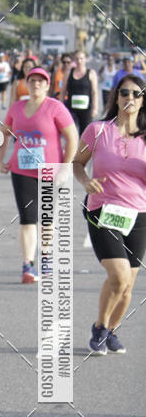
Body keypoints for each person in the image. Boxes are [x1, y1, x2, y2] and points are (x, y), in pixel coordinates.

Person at [72, 74, 146, 355]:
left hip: (139, 214)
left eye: (136, 94)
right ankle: (100, 328)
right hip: (103, 209)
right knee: (119, 275)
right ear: (116, 97)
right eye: (124, 93)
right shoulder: (98, 130)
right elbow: (78, 163)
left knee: (128, 287)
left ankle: (111, 330)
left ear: (143, 100)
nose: (130, 98)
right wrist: (85, 181)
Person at [0, 67, 78, 283]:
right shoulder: (16, 107)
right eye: (32, 80)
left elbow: (72, 137)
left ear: (47, 85)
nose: (36, 84)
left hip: (50, 170)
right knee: (27, 218)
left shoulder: (55, 107)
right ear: (27, 83)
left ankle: (47, 257)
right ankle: (27, 264)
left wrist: (66, 166)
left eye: (41, 81)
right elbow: (4, 133)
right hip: (21, 169)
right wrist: (0, 160)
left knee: (47, 218)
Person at [60, 49, 99, 136]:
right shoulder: (68, 73)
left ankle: (83, 150)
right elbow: (63, 91)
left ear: (85, 59)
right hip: (71, 108)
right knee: (71, 134)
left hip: (86, 109)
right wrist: (60, 106)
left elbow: (94, 92)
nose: (79, 61)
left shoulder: (91, 73)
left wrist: (95, 108)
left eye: (81, 58)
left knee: (85, 135)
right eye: (77, 59)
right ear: (74, 60)